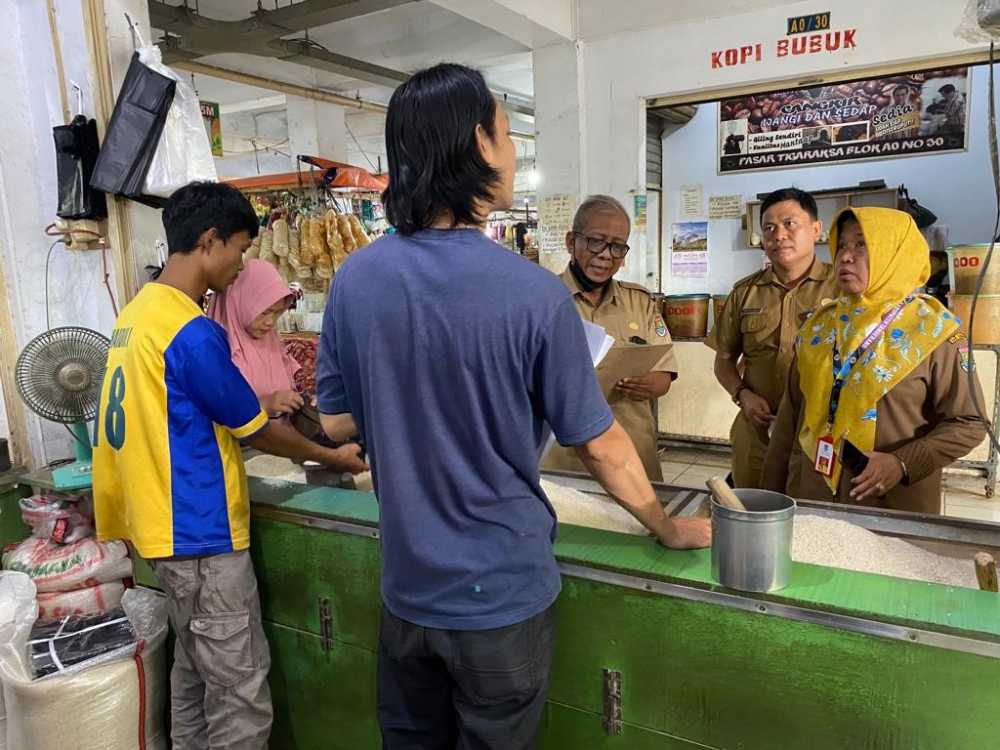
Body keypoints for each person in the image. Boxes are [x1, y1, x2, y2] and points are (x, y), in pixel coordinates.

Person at [314, 63, 711, 750]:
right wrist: (665, 526)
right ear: (478, 142)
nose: (515, 148)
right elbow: (600, 444)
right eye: (506, 131)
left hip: (407, 594)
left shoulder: (356, 280)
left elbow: (336, 423)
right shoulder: (532, 296)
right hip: (500, 601)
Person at [92, 182, 366, 750]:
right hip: (200, 533)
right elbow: (263, 433)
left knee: (193, 678)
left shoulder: (137, 316)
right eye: (240, 250)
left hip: (159, 530)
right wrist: (330, 454)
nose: (242, 266)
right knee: (239, 689)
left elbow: (177, 408)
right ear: (211, 240)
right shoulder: (191, 330)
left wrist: (260, 405)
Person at [761, 207, 987, 514]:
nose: (846, 256)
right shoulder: (818, 327)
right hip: (810, 498)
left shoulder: (935, 332)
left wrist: (902, 463)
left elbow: (969, 422)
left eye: (862, 245)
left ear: (895, 253)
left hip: (891, 507)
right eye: (841, 245)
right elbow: (789, 422)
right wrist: (769, 502)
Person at [707, 187, 839, 488]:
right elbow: (724, 360)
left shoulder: (841, 290)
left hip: (820, 431)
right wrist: (742, 395)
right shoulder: (745, 292)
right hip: (757, 430)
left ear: (816, 230)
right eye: (769, 228)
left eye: (790, 224)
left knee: (811, 517)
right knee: (751, 512)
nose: (779, 235)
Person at [541, 195, 678, 481]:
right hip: (565, 462)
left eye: (617, 246)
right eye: (595, 241)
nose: (606, 254)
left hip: (633, 457)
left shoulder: (640, 302)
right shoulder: (541, 300)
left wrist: (649, 384)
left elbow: (664, 374)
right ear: (571, 242)